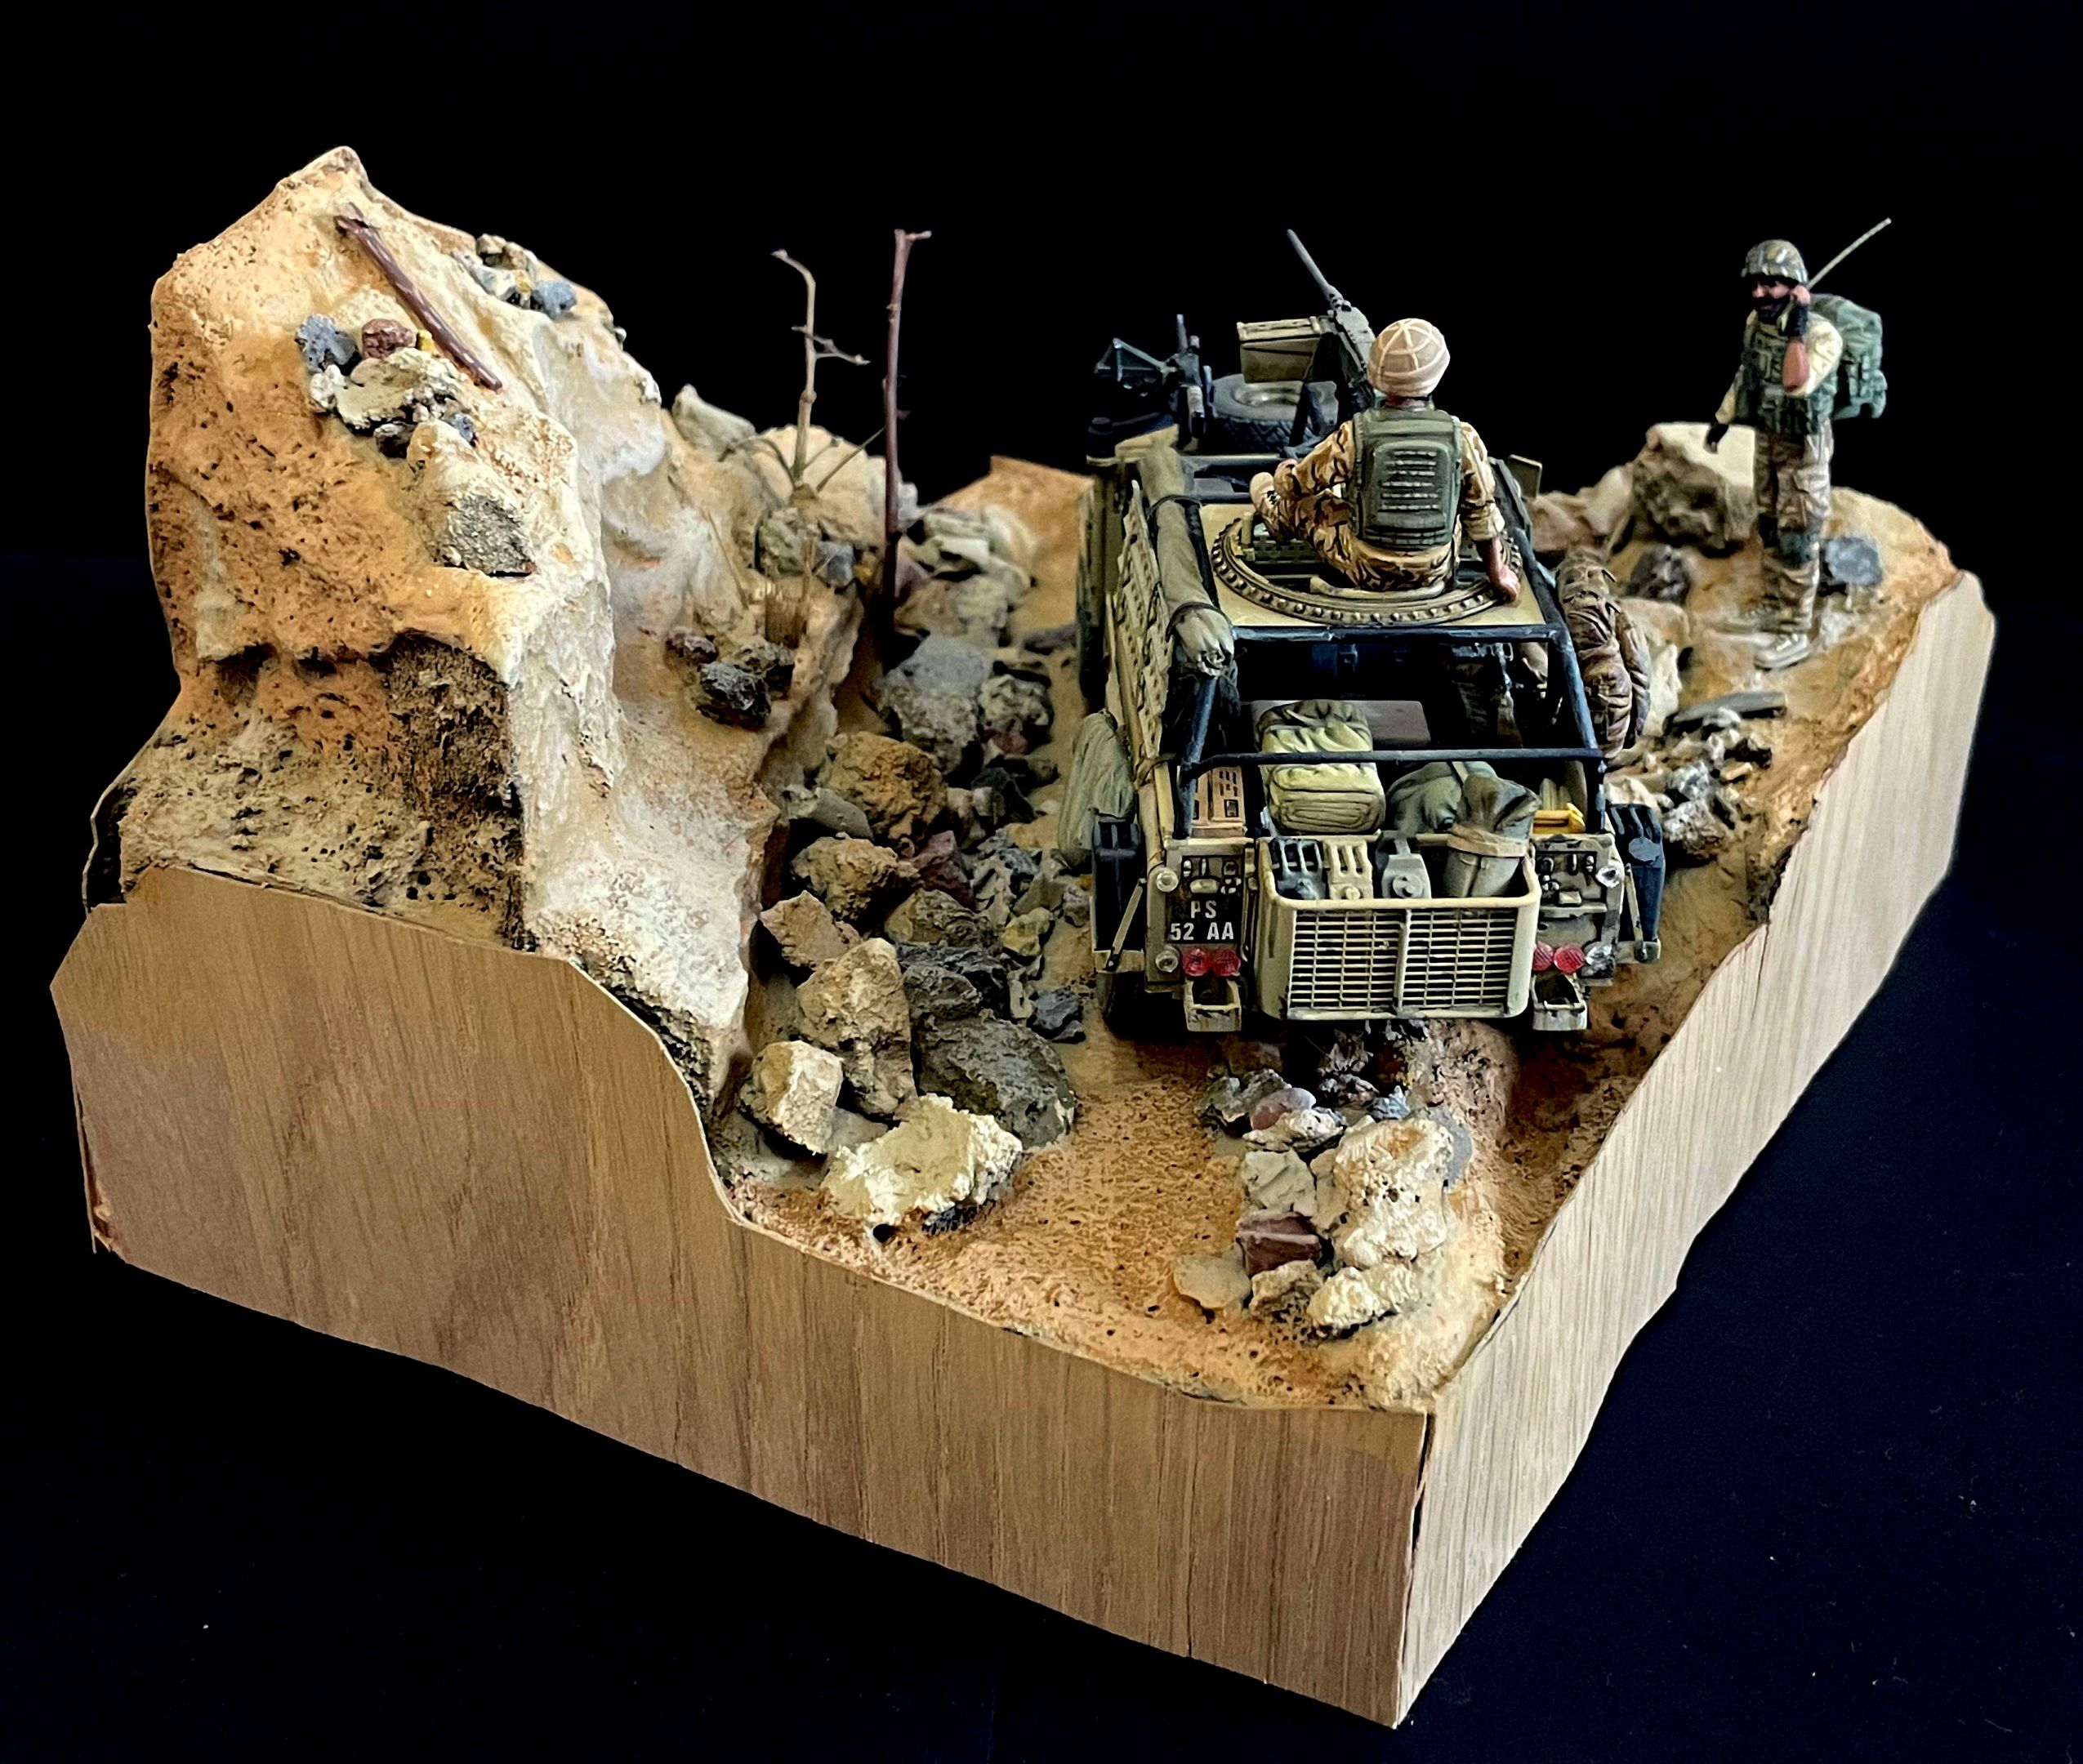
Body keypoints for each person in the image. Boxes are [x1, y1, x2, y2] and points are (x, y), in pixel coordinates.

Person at [1249, 318, 1520, 602]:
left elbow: (1296, 486)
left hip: (1367, 567)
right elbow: (1482, 512)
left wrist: (1284, 473)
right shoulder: (1462, 436)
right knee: (1463, 508)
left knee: (1296, 501)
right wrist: (1498, 573)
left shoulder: (1353, 435)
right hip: (1436, 569)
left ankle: (1277, 521)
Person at [1706, 238, 1844, 670]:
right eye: (1755, 283)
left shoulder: (1821, 336)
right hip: (1768, 437)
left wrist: (1798, 325)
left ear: (1794, 286)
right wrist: (1722, 419)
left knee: (1798, 537)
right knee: (1768, 525)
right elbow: (1747, 373)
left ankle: (1794, 629)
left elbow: (1795, 384)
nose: (1759, 293)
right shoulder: (1757, 325)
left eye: (1771, 284)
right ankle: (1772, 604)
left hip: (1803, 451)